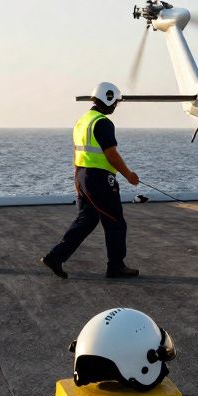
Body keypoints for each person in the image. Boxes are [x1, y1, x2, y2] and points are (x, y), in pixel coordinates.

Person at [41, 82, 141, 279]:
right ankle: (116, 266)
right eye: (115, 103)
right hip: (99, 178)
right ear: (109, 99)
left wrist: (77, 179)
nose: (115, 107)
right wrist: (129, 175)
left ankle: (55, 256)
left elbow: (77, 151)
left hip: (82, 175)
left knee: (87, 220)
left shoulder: (83, 121)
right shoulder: (102, 122)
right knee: (115, 222)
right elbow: (111, 154)